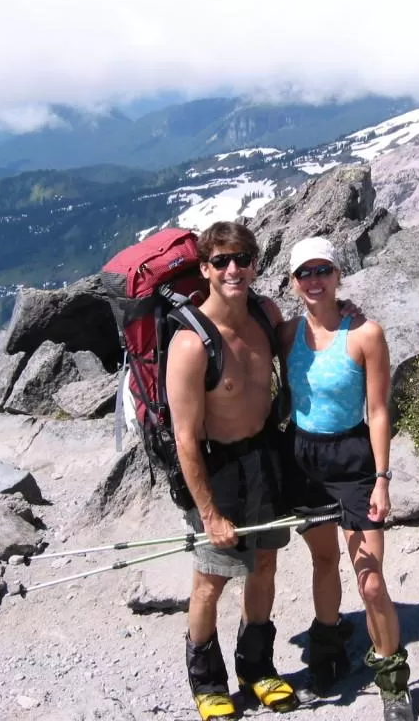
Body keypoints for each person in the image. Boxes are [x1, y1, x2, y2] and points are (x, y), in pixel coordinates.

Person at [279, 236, 415, 721]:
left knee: (371, 581)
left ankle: (392, 677)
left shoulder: (365, 334)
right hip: (304, 460)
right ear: (293, 282)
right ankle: (330, 649)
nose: (314, 281)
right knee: (322, 562)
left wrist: (382, 478)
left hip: (354, 459)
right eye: (304, 273)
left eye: (323, 271)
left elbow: (379, 410)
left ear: (338, 275)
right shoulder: (286, 330)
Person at [166, 221, 298, 721]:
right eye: (220, 261)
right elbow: (184, 439)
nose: (233, 269)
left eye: (242, 258)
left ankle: (257, 667)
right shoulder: (191, 344)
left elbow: (306, 341)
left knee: (264, 564)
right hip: (216, 467)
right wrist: (209, 512)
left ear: (255, 262)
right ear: (204, 269)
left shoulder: (265, 314)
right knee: (211, 580)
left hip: (264, 456)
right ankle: (206, 681)